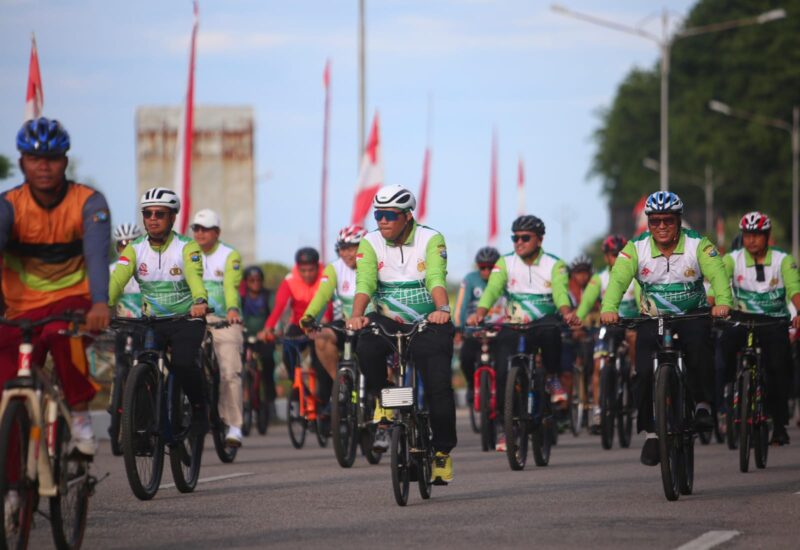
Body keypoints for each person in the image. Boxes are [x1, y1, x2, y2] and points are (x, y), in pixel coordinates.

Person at [0, 117, 111, 457]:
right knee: (5, 390)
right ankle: (13, 494)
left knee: (63, 335)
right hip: (19, 307)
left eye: (52, 158)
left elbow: (95, 255)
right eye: (35, 159)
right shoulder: (8, 205)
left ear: (65, 161)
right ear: (22, 163)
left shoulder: (88, 202)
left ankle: (79, 417)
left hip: (73, 301)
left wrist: (100, 303)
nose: (44, 166)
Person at [600, 191, 732, 467]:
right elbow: (617, 280)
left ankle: (703, 405)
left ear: (678, 221)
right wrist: (609, 307)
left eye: (668, 221)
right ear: (648, 223)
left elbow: (718, 274)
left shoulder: (699, 245)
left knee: (700, 351)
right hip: (653, 319)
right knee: (645, 372)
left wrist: (722, 302)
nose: (662, 226)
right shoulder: (635, 248)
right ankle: (651, 432)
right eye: (656, 221)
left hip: (691, 315)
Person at [347, 185, 456, 484]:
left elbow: (435, 277)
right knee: (366, 345)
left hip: (428, 321)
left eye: (389, 215)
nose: (381, 221)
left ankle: (442, 454)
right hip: (388, 321)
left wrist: (442, 308)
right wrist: (356, 315)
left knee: (439, 388)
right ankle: (384, 398)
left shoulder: (431, 239)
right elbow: (365, 283)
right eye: (377, 214)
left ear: (408, 216)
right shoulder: (369, 242)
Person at [468, 215, 580, 452]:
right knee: (500, 371)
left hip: (543, 322)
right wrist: (480, 311)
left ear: (539, 240)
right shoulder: (504, 263)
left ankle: (551, 378)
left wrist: (567, 312)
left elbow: (560, 293)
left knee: (551, 332)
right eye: (515, 238)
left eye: (525, 238)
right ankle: (503, 425)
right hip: (515, 324)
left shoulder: (555, 264)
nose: (519, 242)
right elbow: (492, 290)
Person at [109, 187, 210, 434]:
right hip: (152, 321)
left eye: (160, 214)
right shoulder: (134, 249)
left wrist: (199, 300)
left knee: (184, 364)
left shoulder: (187, 247)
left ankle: (199, 409)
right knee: (141, 367)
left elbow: (195, 277)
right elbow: (118, 280)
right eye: (148, 213)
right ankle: (142, 429)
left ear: (172, 217)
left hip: (186, 319)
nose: (153, 218)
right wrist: (104, 304)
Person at [716, 212, 800, 445]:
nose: (751, 240)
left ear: (767, 236)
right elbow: (718, 286)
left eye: (757, 235)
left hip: (773, 322)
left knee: (778, 369)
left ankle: (780, 425)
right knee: (722, 354)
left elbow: (794, 290)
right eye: (747, 235)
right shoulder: (732, 259)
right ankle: (728, 395)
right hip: (741, 320)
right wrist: (714, 305)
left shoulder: (783, 260)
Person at [191, 209, 245, 447]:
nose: (200, 233)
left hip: (223, 319)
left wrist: (232, 309)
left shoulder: (229, 255)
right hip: (192, 319)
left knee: (229, 370)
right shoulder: (186, 253)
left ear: (217, 232)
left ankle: (234, 425)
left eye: (205, 229)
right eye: (196, 229)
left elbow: (231, 285)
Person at [576, 235, 639, 430]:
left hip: (631, 324)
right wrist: (577, 318)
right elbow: (586, 301)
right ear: (606, 257)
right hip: (607, 327)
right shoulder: (599, 278)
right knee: (598, 365)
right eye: (613, 255)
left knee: (634, 336)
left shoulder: (635, 276)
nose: (617, 258)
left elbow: (640, 298)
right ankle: (597, 409)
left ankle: (634, 370)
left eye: (620, 254)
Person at [259, 247, 332, 410]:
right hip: (298, 324)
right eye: (303, 270)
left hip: (320, 325)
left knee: (321, 364)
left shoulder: (327, 275)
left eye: (311, 270)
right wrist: (268, 328)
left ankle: (324, 404)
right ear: (297, 268)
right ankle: (300, 389)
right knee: (287, 354)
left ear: (317, 266)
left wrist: (324, 322)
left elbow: (328, 303)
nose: (307, 274)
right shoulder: (290, 280)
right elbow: (279, 307)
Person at [300, 225, 368, 381]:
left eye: (351, 249)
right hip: (348, 324)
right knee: (321, 337)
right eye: (342, 249)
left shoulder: (377, 264)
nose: (346, 254)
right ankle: (340, 382)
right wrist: (309, 316)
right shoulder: (335, 268)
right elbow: (322, 295)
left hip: (373, 324)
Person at [453, 247, 503, 409]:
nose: (487, 271)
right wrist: (459, 328)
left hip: (499, 330)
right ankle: (471, 385)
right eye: (483, 267)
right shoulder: (470, 279)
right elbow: (461, 306)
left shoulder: (504, 279)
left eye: (491, 267)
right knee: (466, 358)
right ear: (478, 267)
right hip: (474, 330)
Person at [241, 265, 276, 408]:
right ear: (246, 282)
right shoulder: (241, 299)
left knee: (268, 362)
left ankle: (269, 398)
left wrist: (271, 331)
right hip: (244, 337)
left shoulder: (268, 296)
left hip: (264, 337)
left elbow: (275, 314)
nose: (255, 282)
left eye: (258, 279)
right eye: (251, 280)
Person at [111, 223, 144, 318]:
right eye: (123, 245)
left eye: (133, 244)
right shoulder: (110, 271)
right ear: (117, 248)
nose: (128, 249)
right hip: (121, 324)